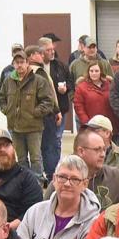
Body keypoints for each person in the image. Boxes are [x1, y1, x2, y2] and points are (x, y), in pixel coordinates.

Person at [0, 49, 57, 178]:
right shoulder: (8, 81)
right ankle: (23, 182)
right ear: (13, 64)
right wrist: (7, 110)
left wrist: (34, 113)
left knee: (36, 158)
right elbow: (2, 96)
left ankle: (37, 182)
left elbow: (48, 101)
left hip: (34, 127)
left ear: (27, 63)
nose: (19, 65)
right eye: (17, 62)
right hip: (15, 127)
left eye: (22, 62)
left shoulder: (38, 80)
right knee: (20, 158)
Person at [38, 36, 72, 179]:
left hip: (60, 110)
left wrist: (66, 88)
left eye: (53, 49)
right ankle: (46, 171)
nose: (52, 52)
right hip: (43, 113)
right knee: (43, 142)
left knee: (56, 141)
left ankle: (55, 170)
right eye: (48, 50)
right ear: (41, 52)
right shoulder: (36, 68)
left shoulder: (60, 65)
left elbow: (71, 82)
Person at [73, 127, 119, 209]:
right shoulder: (63, 179)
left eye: (104, 150)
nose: (103, 155)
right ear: (81, 151)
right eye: (97, 150)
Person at [74, 59, 119, 130]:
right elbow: (79, 107)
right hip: (91, 125)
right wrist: (88, 123)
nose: (94, 73)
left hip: (108, 125)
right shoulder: (81, 87)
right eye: (91, 71)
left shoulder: (109, 85)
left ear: (101, 72)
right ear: (88, 72)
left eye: (96, 71)